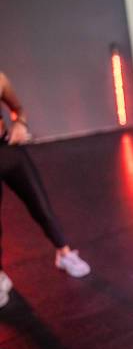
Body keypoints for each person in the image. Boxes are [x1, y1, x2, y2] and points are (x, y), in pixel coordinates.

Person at [0, 72, 91, 308]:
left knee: (41, 205)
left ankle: (64, 253)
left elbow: (18, 109)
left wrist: (20, 124)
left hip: (8, 151)